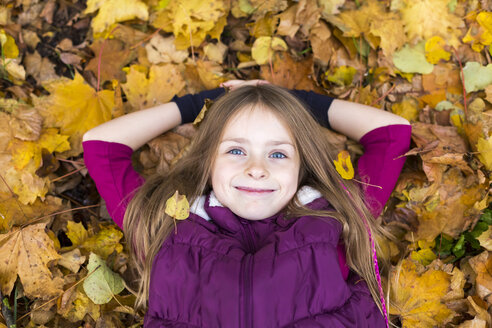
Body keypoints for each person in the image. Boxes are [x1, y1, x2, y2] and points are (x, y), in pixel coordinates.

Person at [82, 80, 411, 327]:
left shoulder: (334, 216)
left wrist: (290, 101)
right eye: (236, 150)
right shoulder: (167, 223)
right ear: (208, 160)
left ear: (302, 167)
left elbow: (391, 132)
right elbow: (101, 146)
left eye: (278, 153)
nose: (257, 168)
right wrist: (200, 103)